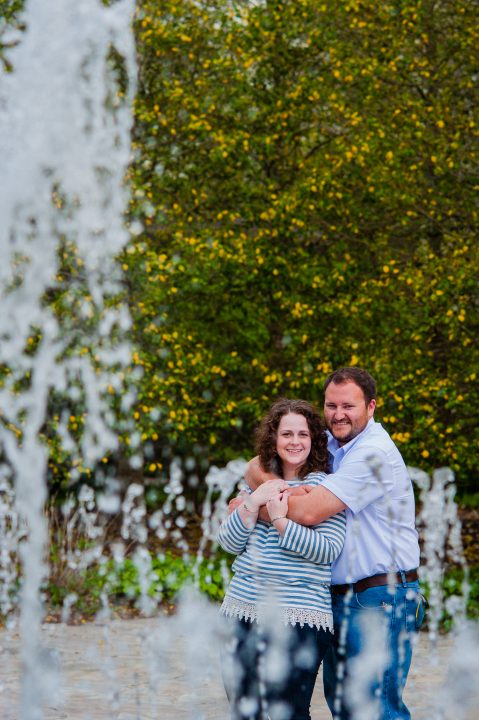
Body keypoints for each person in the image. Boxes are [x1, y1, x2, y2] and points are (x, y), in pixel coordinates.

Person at [243, 368, 423, 720]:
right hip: (337, 598)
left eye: (348, 406)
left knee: (375, 710)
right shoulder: (330, 443)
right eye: (330, 405)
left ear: (371, 407)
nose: (338, 414)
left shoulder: (373, 454)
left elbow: (309, 513)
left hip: (379, 599)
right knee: (345, 709)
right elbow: (254, 465)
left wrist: (257, 508)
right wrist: (282, 492)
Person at [217, 398, 346, 720]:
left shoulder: (325, 489)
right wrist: (252, 504)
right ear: (273, 439)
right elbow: (229, 543)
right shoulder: (254, 486)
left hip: (299, 616)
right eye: (286, 434)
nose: (294, 442)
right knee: (243, 708)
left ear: (314, 440)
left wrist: (280, 522)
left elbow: (327, 550)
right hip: (242, 610)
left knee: (289, 712)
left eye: (302, 434)